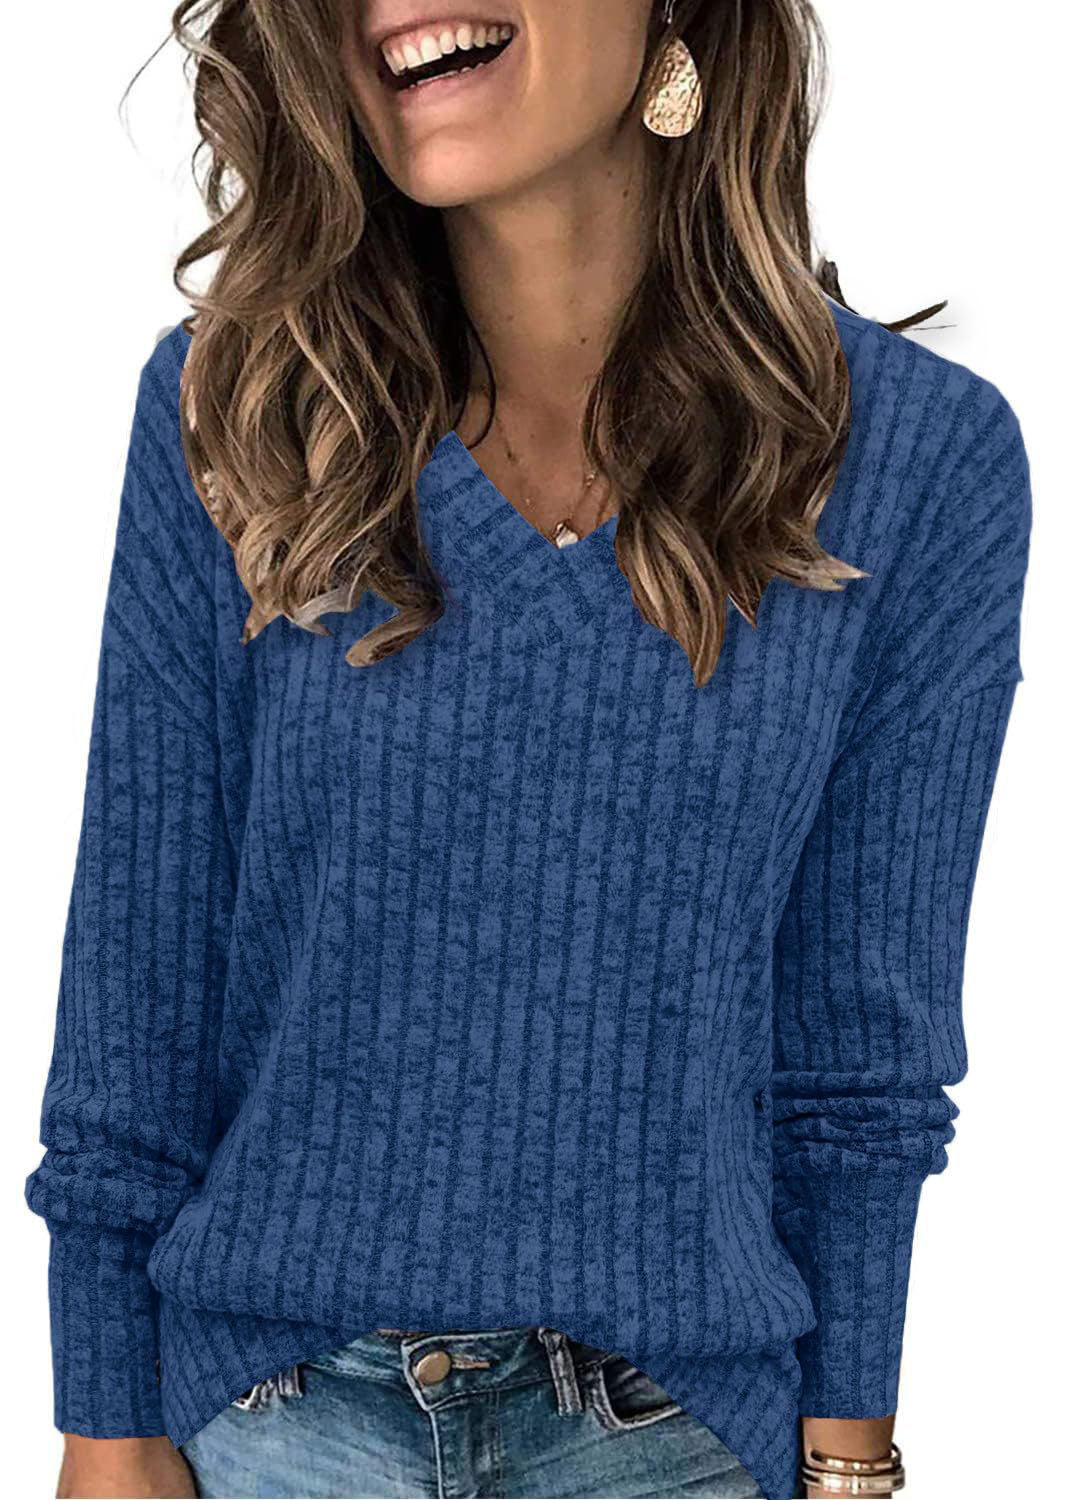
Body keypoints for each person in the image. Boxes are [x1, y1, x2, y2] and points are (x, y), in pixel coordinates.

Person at [25, 1, 1032, 1497]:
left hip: (682, 1437)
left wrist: (849, 1463)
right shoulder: (236, 410)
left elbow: (860, 1048)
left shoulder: (914, 458)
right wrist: (103, 1426)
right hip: (272, 1426)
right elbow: (137, 978)